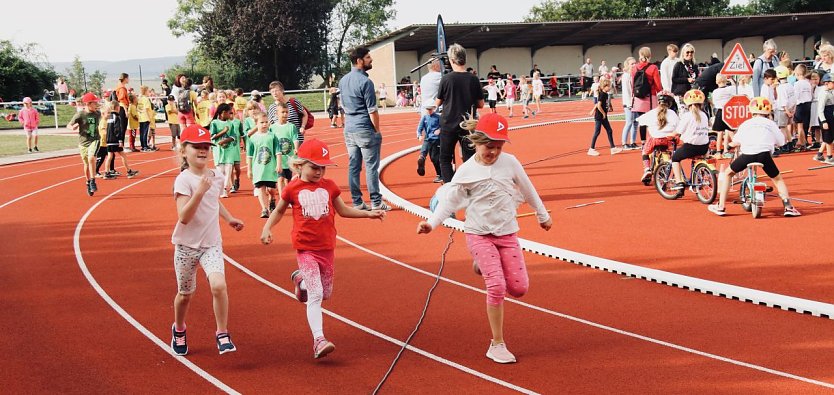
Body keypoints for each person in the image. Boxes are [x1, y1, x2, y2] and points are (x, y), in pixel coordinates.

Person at [417, 113, 552, 364]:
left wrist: (542, 216)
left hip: (507, 233)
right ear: (476, 142)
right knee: (497, 286)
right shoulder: (466, 171)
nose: (494, 152)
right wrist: (431, 224)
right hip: (478, 234)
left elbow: (528, 189)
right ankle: (497, 344)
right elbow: (449, 203)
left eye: (499, 147)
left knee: (519, 288)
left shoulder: (510, 163)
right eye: (489, 147)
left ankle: (482, 263)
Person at [260, 138, 385, 359]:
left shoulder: (330, 187)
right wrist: (267, 227)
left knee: (326, 293)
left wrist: (368, 213)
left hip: (327, 247)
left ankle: (300, 279)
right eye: (314, 167)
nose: (319, 172)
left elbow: (344, 210)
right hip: (305, 249)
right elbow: (279, 211)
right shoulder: (292, 188)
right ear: (299, 165)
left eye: (322, 168)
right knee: (316, 294)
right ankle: (318, 339)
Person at [170, 124, 244, 357]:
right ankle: (179, 329)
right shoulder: (184, 180)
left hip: (211, 244)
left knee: (219, 285)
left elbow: (214, 201)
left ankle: (222, 332)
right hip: (186, 247)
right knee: (185, 294)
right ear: (184, 151)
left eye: (206, 147)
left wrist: (229, 217)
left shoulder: (217, 176)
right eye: (197, 147)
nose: (203, 151)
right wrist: (199, 191)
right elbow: (183, 216)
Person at [708, 97, 801, 217]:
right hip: (764, 156)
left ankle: (721, 206)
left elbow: (736, 141)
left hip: (747, 155)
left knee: (727, 173)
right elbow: (781, 141)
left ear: (751, 111)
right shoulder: (771, 124)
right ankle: (788, 207)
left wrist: (729, 146)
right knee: (777, 179)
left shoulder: (746, 123)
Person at [339, 46, 389, 211]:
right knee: (371, 167)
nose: (371, 60)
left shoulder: (343, 80)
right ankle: (375, 201)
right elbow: (372, 110)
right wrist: (377, 130)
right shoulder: (366, 82)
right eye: (368, 57)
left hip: (349, 128)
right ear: (359, 61)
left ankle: (357, 202)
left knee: (353, 166)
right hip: (365, 129)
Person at [435, 43, 485, 183]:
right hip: (467, 124)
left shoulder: (446, 79)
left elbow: (438, 102)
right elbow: (481, 104)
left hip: (448, 123)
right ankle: (470, 185)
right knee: (470, 158)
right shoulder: (473, 79)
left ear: (451, 60)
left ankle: (449, 188)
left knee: (445, 158)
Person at [670, 89, 711, 191]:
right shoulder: (704, 115)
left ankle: (679, 182)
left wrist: (669, 135)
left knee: (675, 158)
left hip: (691, 147)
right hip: (704, 146)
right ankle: (698, 177)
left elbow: (678, 131)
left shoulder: (687, 116)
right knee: (697, 157)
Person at [247, 112, 282, 218]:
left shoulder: (272, 137)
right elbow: (249, 155)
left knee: (271, 189)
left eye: (266, 122)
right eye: (262, 122)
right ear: (256, 124)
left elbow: (278, 151)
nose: (264, 124)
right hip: (258, 168)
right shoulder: (252, 138)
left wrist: (279, 164)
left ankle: (272, 198)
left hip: (270, 167)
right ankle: (264, 209)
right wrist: (249, 169)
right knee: (260, 188)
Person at [638, 92, 679, 183]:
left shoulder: (652, 113)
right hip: (668, 140)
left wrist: (643, 140)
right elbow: (678, 126)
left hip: (655, 140)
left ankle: (647, 168)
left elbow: (641, 123)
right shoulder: (672, 113)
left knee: (645, 152)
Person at [67, 92, 102, 196]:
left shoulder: (97, 113)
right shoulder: (80, 114)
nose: (97, 105)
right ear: (88, 104)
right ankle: (88, 182)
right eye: (95, 103)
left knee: (92, 158)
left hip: (95, 139)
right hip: (83, 142)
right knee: (86, 164)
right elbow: (69, 124)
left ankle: (92, 180)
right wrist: (72, 127)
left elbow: (105, 112)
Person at [632, 47, 663, 144]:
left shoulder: (635, 68)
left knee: (642, 122)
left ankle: (643, 142)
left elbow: (632, 83)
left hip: (638, 98)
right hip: (650, 98)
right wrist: (661, 93)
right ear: (650, 55)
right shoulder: (653, 68)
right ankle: (652, 140)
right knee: (652, 121)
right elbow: (658, 85)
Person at [268, 102, 300, 196]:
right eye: (282, 112)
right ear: (277, 114)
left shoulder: (291, 126)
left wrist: (296, 148)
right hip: (278, 159)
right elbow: (270, 140)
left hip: (288, 158)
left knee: (288, 180)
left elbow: (295, 138)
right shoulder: (272, 128)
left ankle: (288, 196)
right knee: (280, 178)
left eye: (286, 112)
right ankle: (283, 198)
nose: (285, 114)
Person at [103, 99, 139, 180]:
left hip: (109, 139)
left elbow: (108, 128)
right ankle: (128, 171)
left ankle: (106, 172)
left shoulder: (109, 117)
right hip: (115, 140)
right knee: (123, 155)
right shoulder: (117, 117)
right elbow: (117, 129)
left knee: (110, 156)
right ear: (117, 107)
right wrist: (120, 140)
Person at [588, 79, 621, 156]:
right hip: (599, 116)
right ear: (605, 86)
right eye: (609, 86)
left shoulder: (606, 94)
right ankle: (591, 149)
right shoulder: (602, 94)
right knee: (597, 132)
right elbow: (599, 105)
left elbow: (599, 104)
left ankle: (613, 148)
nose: (610, 87)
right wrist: (603, 113)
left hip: (603, 116)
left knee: (609, 130)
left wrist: (593, 110)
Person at [711, 74, 736, 158]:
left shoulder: (715, 92)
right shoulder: (730, 89)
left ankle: (718, 151)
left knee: (720, 133)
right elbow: (736, 90)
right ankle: (737, 148)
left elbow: (714, 102)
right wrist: (731, 80)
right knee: (730, 131)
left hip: (719, 111)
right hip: (728, 111)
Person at [416, 104, 441, 182]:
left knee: (434, 158)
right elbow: (419, 128)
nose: (429, 111)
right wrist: (419, 135)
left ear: (433, 109)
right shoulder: (424, 117)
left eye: (430, 109)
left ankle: (440, 175)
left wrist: (439, 130)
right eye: (427, 109)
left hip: (436, 140)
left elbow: (443, 126)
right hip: (427, 139)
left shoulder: (438, 117)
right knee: (423, 152)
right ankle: (421, 161)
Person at [671, 44, 700, 111]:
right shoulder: (679, 64)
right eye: (687, 52)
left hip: (692, 94)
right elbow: (674, 79)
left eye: (691, 52)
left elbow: (697, 76)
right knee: (683, 114)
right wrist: (687, 79)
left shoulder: (694, 65)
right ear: (683, 53)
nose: (689, 54)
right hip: (681, 94)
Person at [814, 72, 834, 163]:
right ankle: (829, 157)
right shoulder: (824, 94)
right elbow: (820, 109)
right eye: (833, 82)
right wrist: (824, 121)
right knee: (828, 138)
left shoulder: (830, 92)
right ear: (827, 83)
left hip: (830, 116)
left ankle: (819, 154)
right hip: (825, 118)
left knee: (828, 137)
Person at [620, 57, 639, 150]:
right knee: (629, 123)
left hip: (635, 102)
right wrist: (629, 103)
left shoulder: (634, 75)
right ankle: (624, 143)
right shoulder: (626, 76)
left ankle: (633, 142)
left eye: (635, 63)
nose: (634, 65)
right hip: (629, 103)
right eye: (632, 64)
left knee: (635, 123)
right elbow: (627, 91)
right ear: (627, 65)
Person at [137, 86, 154, 151]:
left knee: (141, 132)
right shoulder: (146, 99)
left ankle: (143, 145)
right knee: (145, 132)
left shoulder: (140, 99)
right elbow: (146, 109)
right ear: (145, 91)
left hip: (141, 117)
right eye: (148, 91)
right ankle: (145, 146)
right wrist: (149, 118)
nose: (149, 92)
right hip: (145, 117)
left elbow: (139, 108)